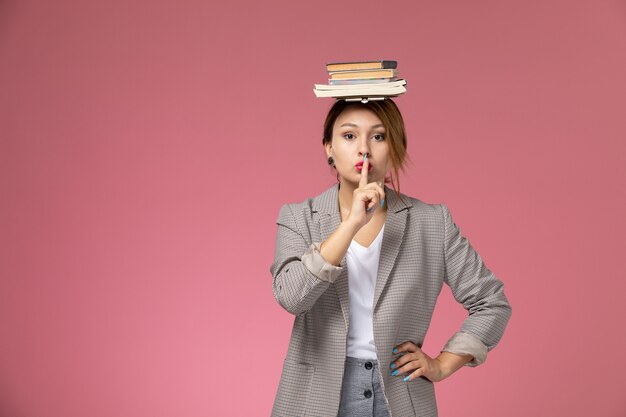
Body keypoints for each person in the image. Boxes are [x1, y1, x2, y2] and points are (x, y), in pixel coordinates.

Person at [270, 98, 512, 417]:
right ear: (328, 147)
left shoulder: (431, 222)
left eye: (379, 136)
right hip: (317, 396)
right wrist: (351, 224)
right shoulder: (299, 217)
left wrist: (443, 364)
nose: (364, 149)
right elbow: (292, 297)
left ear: (395, 147)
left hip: (399, 394)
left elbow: (491, 302)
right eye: (349, 136)